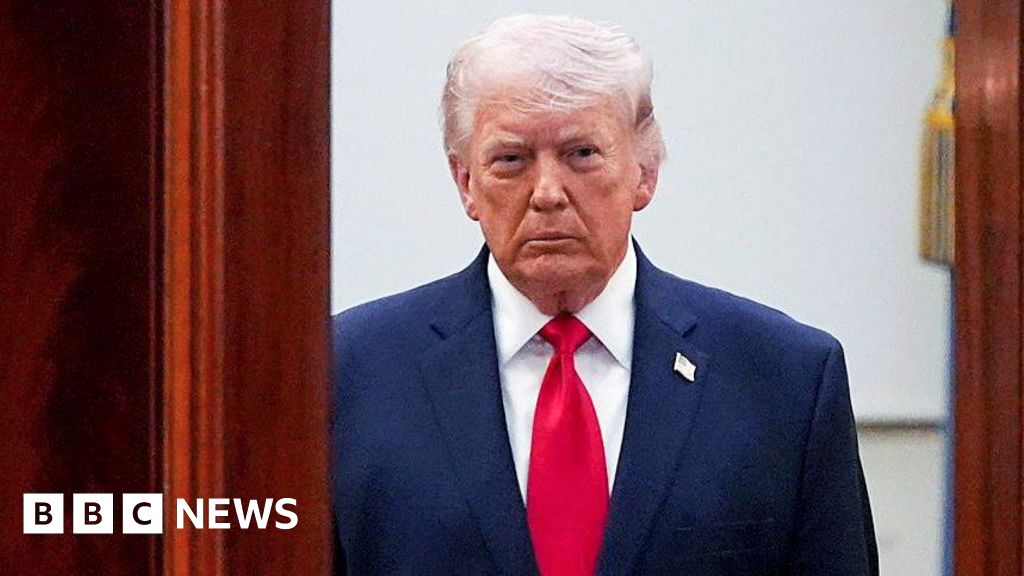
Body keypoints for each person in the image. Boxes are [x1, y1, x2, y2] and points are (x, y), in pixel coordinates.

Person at [331, 14, 878, 576]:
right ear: (466, 182)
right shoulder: (347, 372)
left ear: (645, 172)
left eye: (582, 154)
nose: (547, 193)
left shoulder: (784, 379)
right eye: (511, 160)